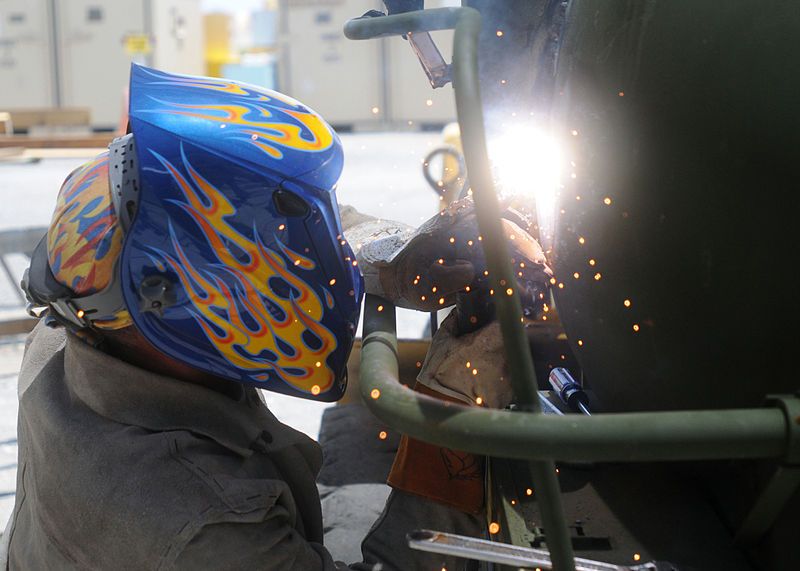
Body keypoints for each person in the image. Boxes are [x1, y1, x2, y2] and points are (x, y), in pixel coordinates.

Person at [1, 65, 550, 570]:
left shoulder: (80, 322)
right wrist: (451, 410)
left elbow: (275, 223)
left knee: (356, 432)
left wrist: (399, 256)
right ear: (202, 296)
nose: (308, 259)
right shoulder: (203, 522)